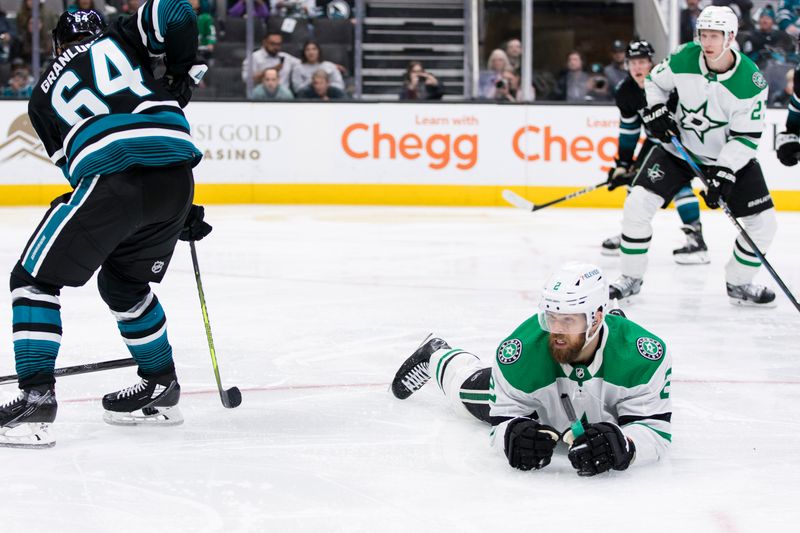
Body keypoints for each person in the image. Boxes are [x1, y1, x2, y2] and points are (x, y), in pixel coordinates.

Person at [0, 4, 212, 449]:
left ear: (58, 43)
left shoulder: (41, 97)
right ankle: (161, 384)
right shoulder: (120, 38)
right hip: (177, 178)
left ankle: (35, 398)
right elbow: (174, 10)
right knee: (125, 287)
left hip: (114, 176)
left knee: (33, 280)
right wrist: (179, 74)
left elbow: (78, 172)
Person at [390, 262, 672, 476]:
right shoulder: (520, 354)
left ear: (597, 319)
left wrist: (627, 446)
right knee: (466, 390)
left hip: (602, 382)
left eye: (569, 321)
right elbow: (503, 422)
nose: (557, 331)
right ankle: (436, 354)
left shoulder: (642, 356)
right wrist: (512, 434)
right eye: (552, 318)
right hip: (542, 405)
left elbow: (656, 431)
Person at [610, 6, 777, 307]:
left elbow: (746, 137)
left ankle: (739, 282)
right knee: (637, 203)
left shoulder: (751, 82)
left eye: (715, 35)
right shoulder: (684, 56)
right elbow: (655, 83)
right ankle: (630, 278)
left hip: (724, 158)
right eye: (703, 34)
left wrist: (724, 172)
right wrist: (657, 109)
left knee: (764, 223)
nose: (707, 42)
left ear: (731, 36)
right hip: (678, 150)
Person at [602, 40, 707, 264]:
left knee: (679, 185)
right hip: (655, 142)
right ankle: (632, 234)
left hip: (685, 140)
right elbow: (629, 131)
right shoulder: (626, 91)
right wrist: (623, 163)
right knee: (636, 183)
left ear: (651, 63)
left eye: (642, 62)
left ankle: (696, 240)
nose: (638, 68)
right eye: (633, 63)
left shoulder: (668, 83)